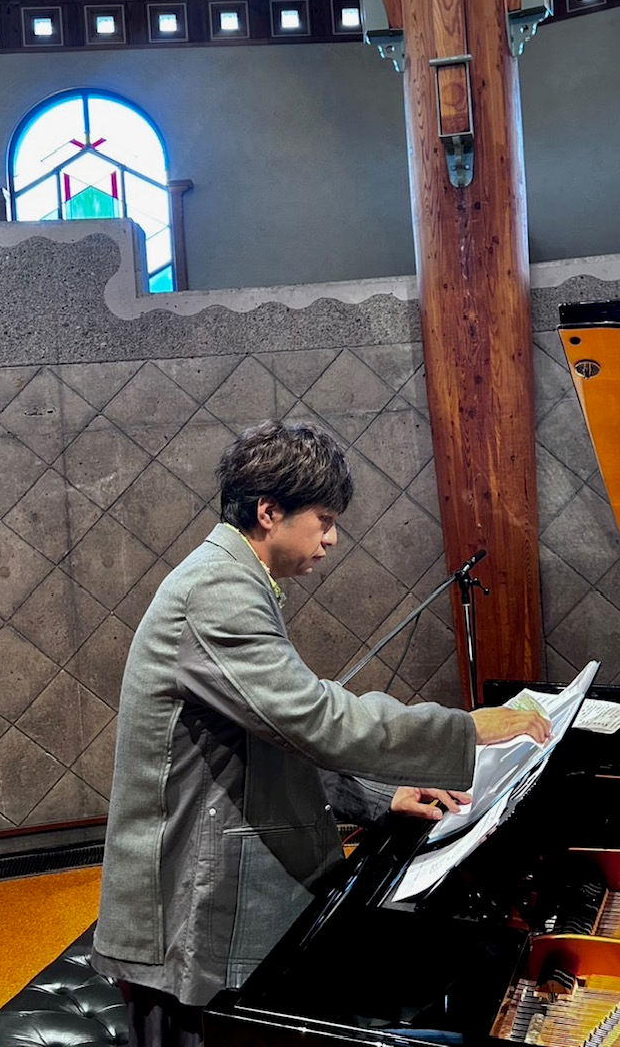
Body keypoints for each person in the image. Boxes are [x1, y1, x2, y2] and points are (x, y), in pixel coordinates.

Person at [91, 419, 549, 1045]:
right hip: (187, 899)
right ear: (269, 511)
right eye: (325, 520)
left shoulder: (236, 579)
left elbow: (273, 735)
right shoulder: (217, 590)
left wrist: (380, 797)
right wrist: (465, 729)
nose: (332, 538)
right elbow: (315, 720)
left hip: (213, 864)